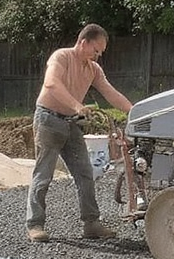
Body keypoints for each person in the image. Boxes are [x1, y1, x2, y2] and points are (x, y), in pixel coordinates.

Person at [26, 24, 134, 243]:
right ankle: (35, 224)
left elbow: (111, 94)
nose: (98, 56)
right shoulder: (61, 57)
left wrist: (136, 111)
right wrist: (77, 106)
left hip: (71, 123)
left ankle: (91, 224)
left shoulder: (93, 69)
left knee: (85, 174)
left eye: (101, 52)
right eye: (96, 50)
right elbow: (51, 84)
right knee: (43, 174)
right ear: (83, 42)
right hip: (48, 119)